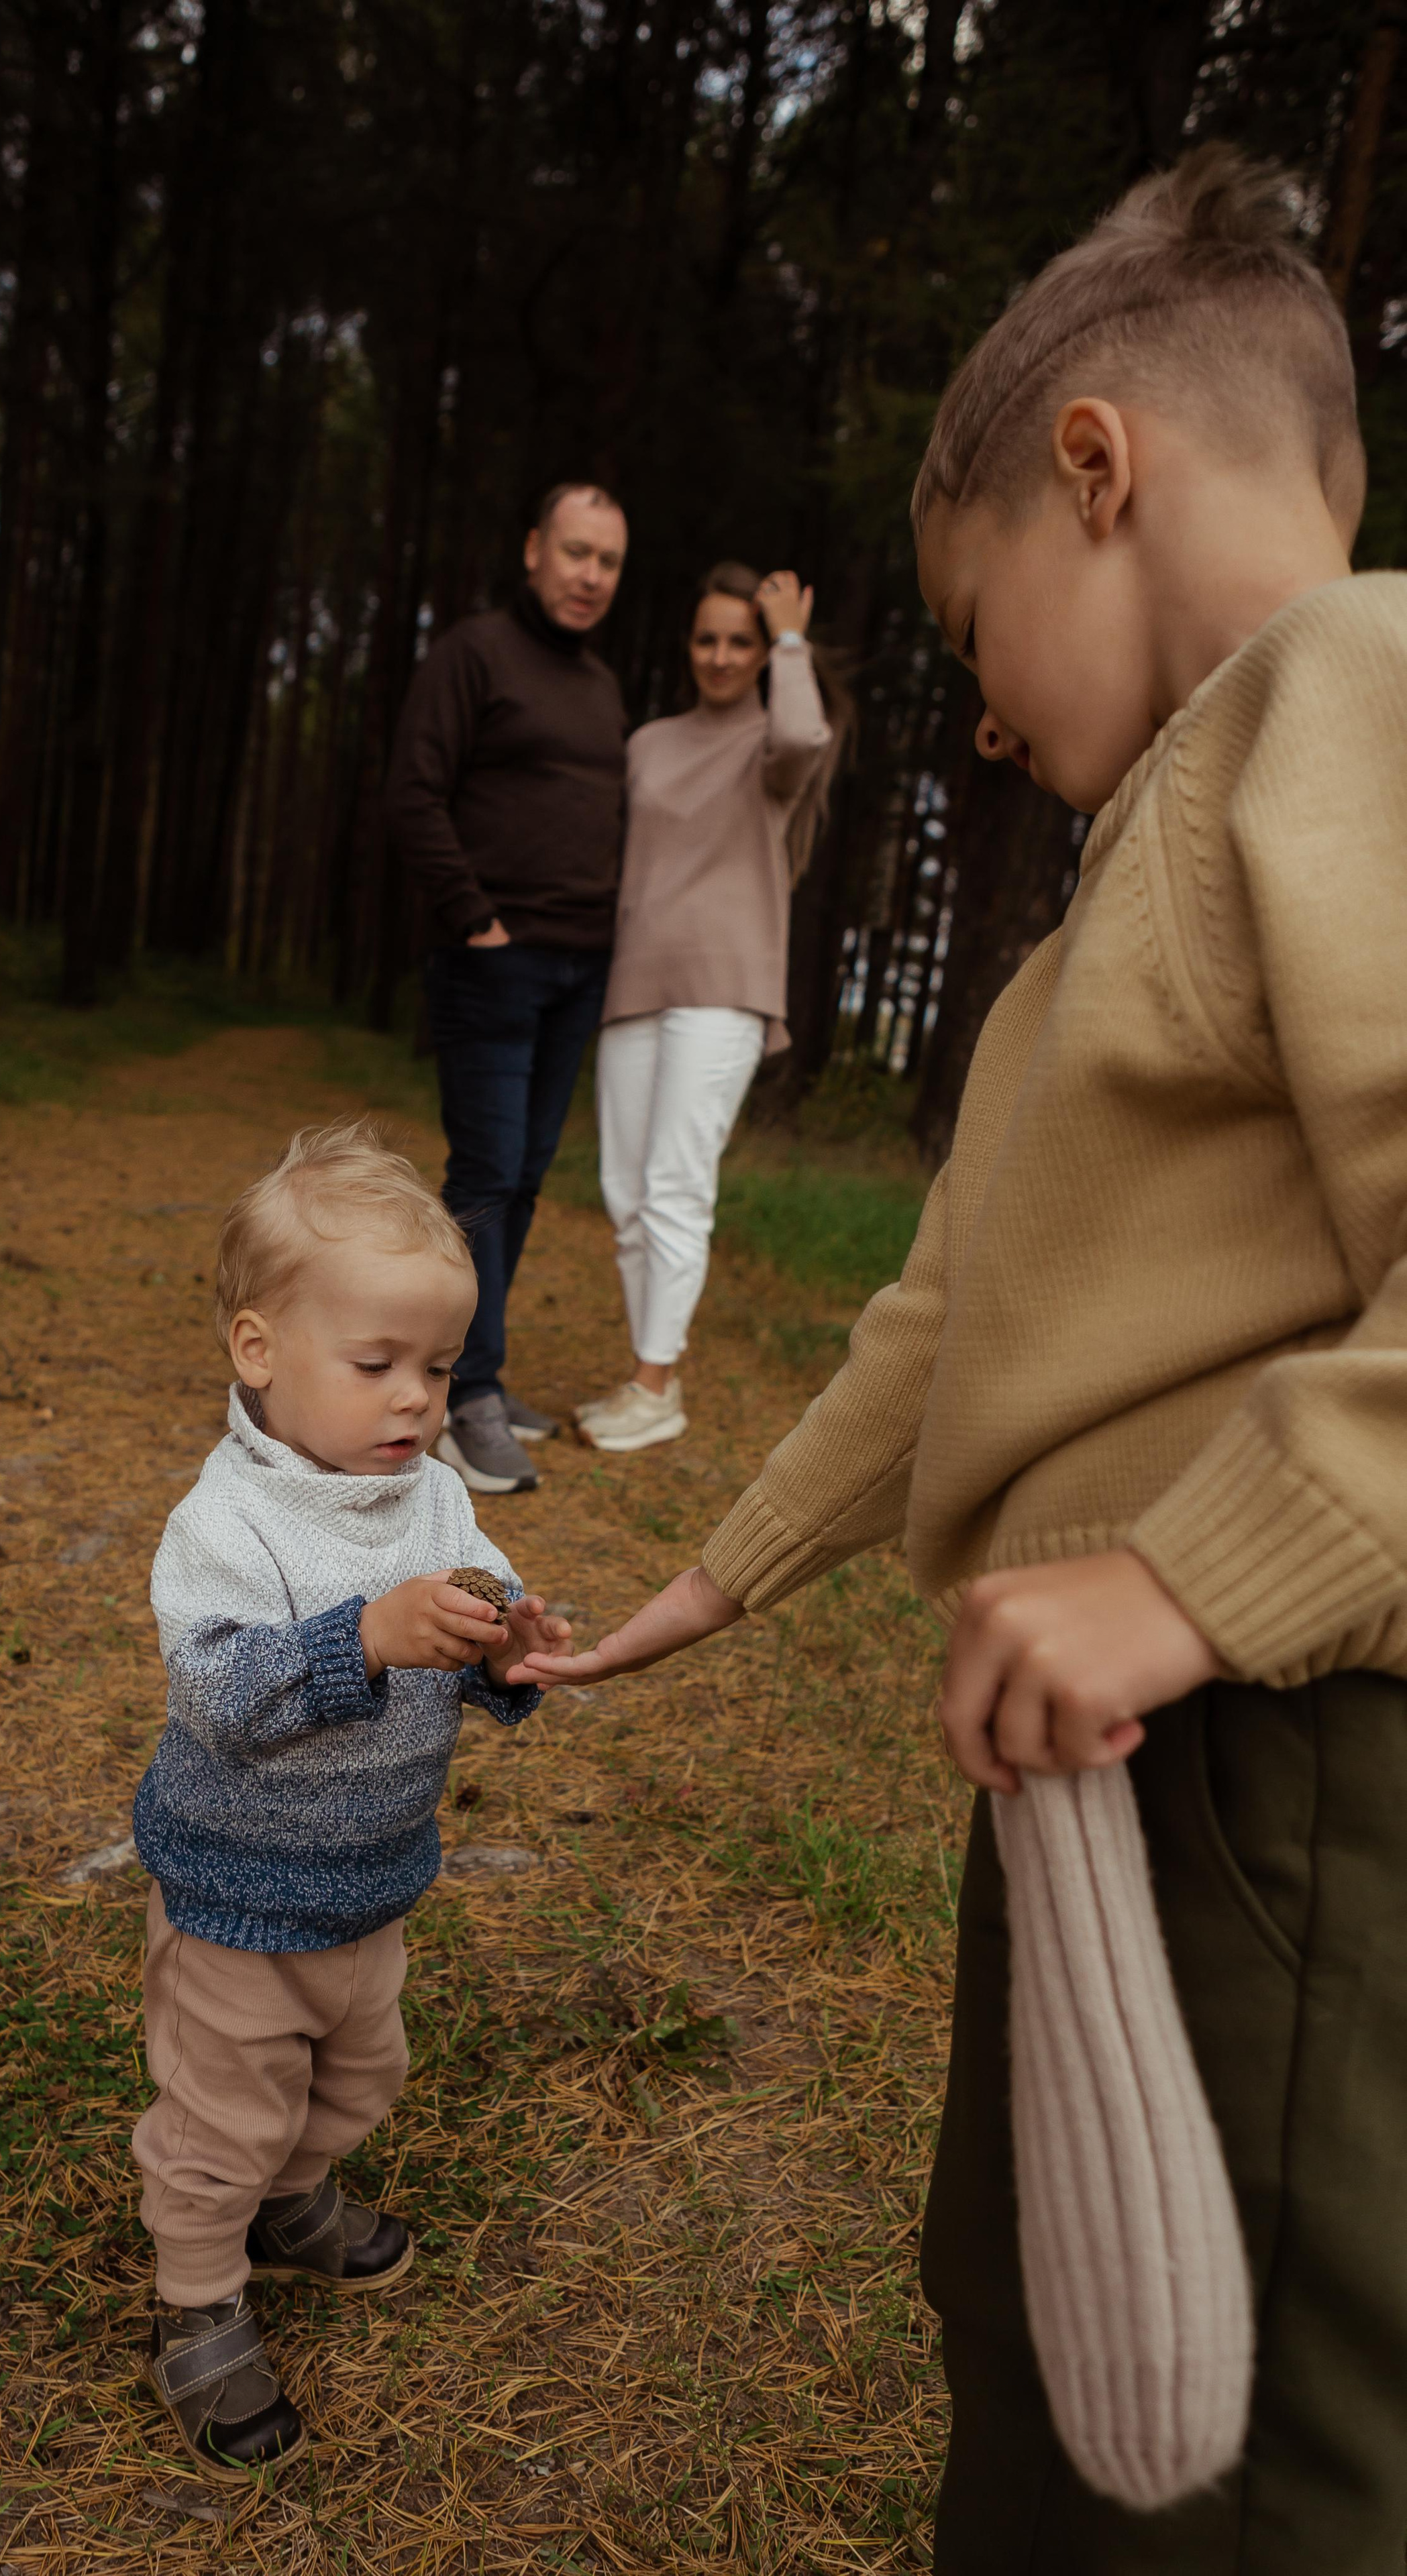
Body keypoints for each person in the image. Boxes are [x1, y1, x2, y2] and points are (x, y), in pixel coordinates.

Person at [525, 146, 1407, 2571]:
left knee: (1254, 2456)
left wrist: (1200, 1577)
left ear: (1095, 468)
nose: (987, 719)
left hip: (1289, 1760)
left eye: (968, 611)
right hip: (1122, 1767)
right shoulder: (1145, 869)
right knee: (1040, 2338)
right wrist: (721, 1575)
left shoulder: (1364, 687)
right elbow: (957, 1316)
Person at [129, 1122, 570, 2479]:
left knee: (358, 2070)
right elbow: (223, 1697)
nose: (414, 1402)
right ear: (258, 1351)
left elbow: (470, 1636)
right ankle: (195, 2300)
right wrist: (365, 1638)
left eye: (437, 1368)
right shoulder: (229, 1524)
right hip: (237, 1893)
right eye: (374, 1364)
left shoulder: (433, 1499)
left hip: (371, 1880)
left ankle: (297, 2205)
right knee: (224, 2113)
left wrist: (503, 1655)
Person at [386, 482, 629, 1496]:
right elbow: (413, 790)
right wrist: (474, 919)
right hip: (495, 958)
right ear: (533, 549)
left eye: (608, 562)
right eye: (575, 553)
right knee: (485, 1176)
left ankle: (479, 1372)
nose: (589, 577)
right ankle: (462, 1392)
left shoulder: (603, 686)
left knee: (526, 1176)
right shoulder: (473, 653)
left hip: (580, 966)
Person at [576, 561, 845, 1453]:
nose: (723, 656)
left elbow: (808, 735)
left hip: (724, 989)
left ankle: (655, 1387)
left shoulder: (778, 742)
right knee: (625, 1192)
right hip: (636, 982)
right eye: (709, 639)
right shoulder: (648, 742)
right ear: (687, 646)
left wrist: (794, 637)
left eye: (743, 641)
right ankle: (651, 1371)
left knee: (677, 1188)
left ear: (764, 653)